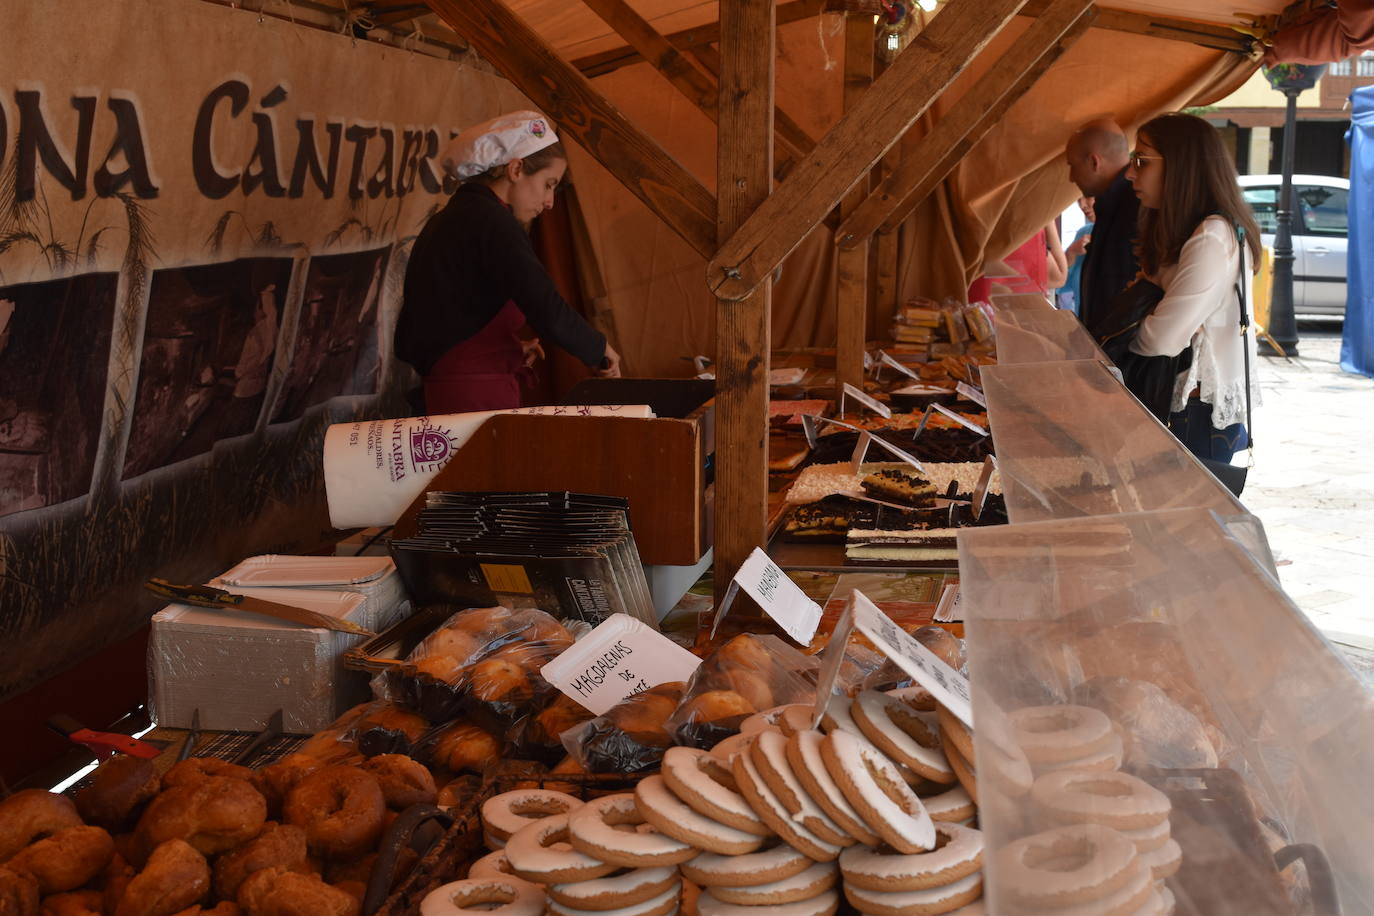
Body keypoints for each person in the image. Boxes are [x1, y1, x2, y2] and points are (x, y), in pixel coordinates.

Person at [395, 110, 620, 414]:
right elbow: (546, 307)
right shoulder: (494, 223)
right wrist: (598, 349)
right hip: (473, 395)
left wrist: (504, 349)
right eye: (548, 184)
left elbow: (451, 315)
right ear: (515, 169)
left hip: (456, 387)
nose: (549, 202)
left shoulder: (452, 218)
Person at [1125, 112, 1262, 463]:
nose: (1130, 173)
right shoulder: (1199, 230)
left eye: (1141, 161)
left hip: (1193, 414)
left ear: (1180, 165)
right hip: (1190, 408)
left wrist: (1125, 328)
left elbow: (1161, 338)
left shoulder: (1212, 237)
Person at [1066, 119, 1138, 335]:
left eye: (1072, 166)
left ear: (1094, 162)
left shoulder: (1136, 204)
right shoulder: (1111, 204)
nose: (1071, 177)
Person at [1056, 197, 1095, 314]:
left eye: (1088, 196)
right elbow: (1060, 286)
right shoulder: (1083, 233)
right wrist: (1071, 253)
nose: (1082, 205)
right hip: (1084, 324)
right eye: (1078, 199)